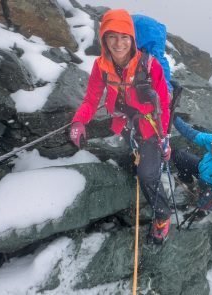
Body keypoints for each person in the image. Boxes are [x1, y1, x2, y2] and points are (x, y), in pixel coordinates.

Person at [69, 9, 171, 244]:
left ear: (133, 39)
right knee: (135, 155)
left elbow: (163, 106)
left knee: (147, 175)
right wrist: (79, 121)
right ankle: (141, 158)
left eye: (124, 36)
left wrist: (165, 139)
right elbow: (91, 100)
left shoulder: (150, 66)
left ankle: (162, 217)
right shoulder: (101, 66)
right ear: (103, 38)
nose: (119, 43)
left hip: (150, 126)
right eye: (112, 36)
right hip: (125, 122)